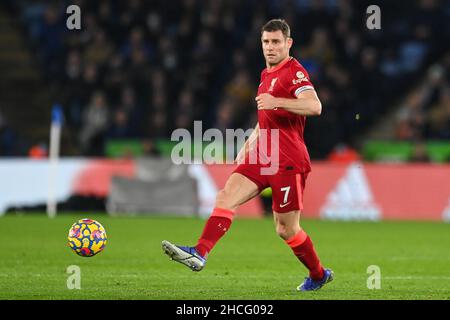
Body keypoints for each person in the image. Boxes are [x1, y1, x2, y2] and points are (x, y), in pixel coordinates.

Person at [162, 19, 333, 292]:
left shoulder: (294, 72)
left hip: (288, 160)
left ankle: (319, 273)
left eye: (276, 41)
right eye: (266, 42)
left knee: (286, 229)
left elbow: (315, 106)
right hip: (263, 156)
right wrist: (248, 143)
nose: (270, 47)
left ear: (288, 43)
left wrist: (277, 101)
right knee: (225, 196)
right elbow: (265, 118)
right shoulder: (266, 75)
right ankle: (199, 252)